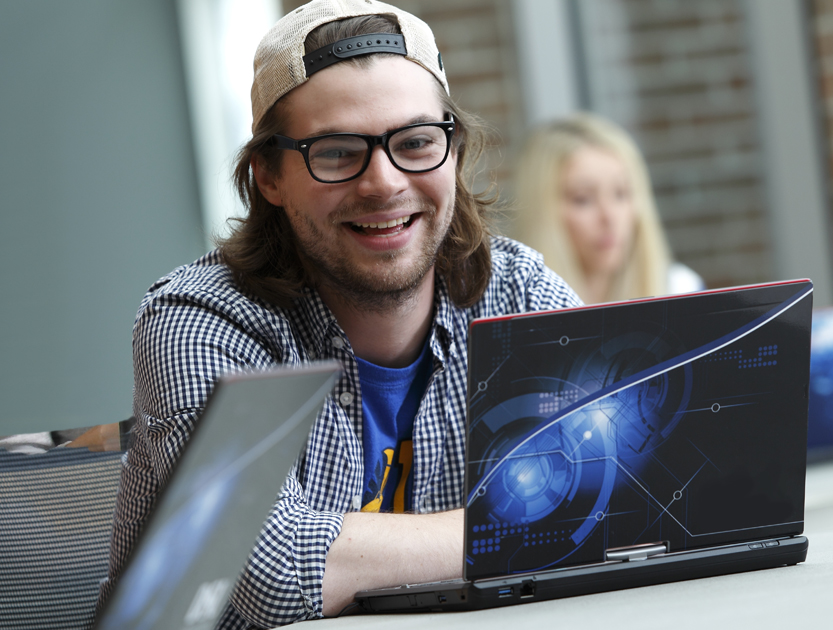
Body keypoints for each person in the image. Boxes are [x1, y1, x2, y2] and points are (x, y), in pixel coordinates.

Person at [97, 1, 580, 627]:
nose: (383, 182)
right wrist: (537, 526)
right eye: (335, 152)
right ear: (268, 175)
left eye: (415, 142)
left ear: (453, 152)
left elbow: (623, 505)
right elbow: (275, 576)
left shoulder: (518, 294)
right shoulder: (200, 319)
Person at [510, 112, 704, 304]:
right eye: (583, 199)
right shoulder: (509, 305)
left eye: (621, 193)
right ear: (542, 212)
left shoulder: (681, 291)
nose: (609, 216)